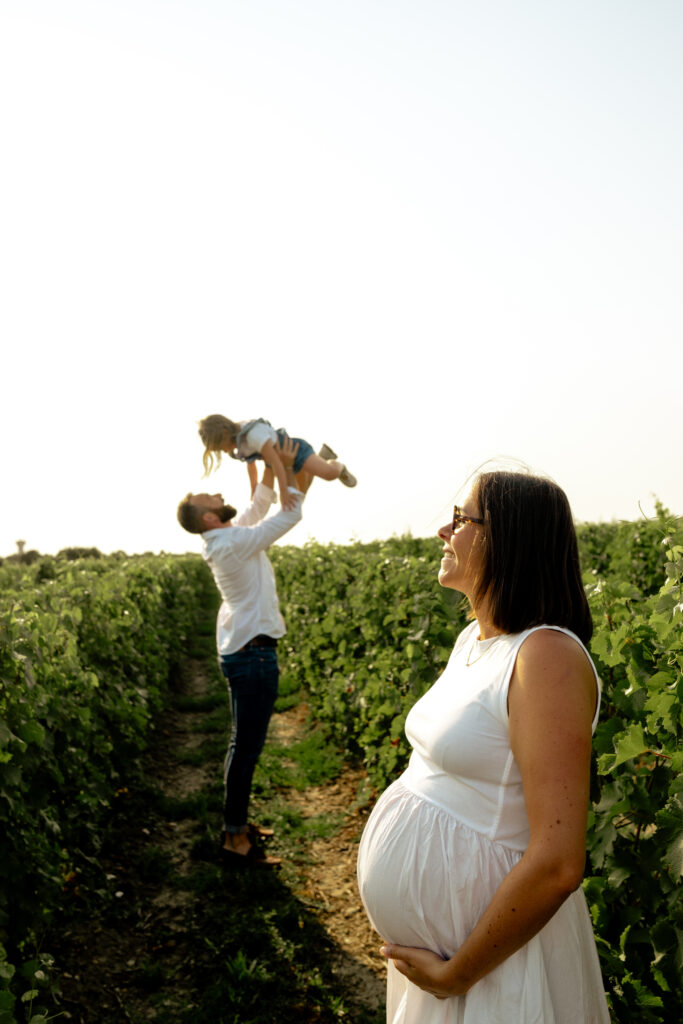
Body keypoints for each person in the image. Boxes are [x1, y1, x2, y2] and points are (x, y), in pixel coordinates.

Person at [357, 469, 611, 1023]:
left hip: (494, 966)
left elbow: (558, 861)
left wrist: (459, 973)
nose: (442, 532)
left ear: (510, 537)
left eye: (461, 518)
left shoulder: (546, 658)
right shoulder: (473, 639)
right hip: (450, 962)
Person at [177, 437, 304, 868]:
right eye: (210, 497)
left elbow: (257, 507)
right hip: (252, 656)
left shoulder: (226, 537)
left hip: (243, 651)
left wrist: (268, 464)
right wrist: (288, 468)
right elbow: (290, 513)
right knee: (246, 749)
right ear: (209, 516)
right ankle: (235, 842)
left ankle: (236, 826)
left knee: (241, 745)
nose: (218, 493)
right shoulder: (232, 543)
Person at [198, 413, 356, 509]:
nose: (224, 451)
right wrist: (253, 488)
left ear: (225, 432)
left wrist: (283, 492)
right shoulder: (239, 441)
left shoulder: (253, 435)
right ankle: (322, 457)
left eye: (221, 447)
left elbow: (275, 462)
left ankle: (338, 467)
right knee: (300, 496)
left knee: (328, 474)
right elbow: (251, 464)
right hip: (282, 464)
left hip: (295, 451)